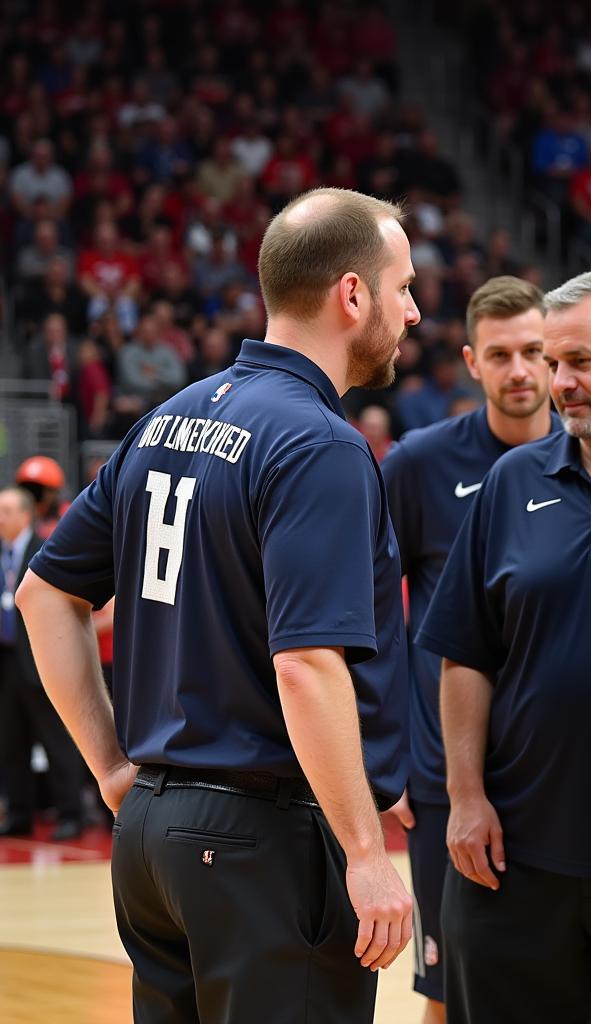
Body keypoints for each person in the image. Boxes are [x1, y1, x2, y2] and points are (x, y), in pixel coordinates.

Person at [16, 187, 418, 1023]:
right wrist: (367, 852)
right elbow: (307, 664)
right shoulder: (320, 446)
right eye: (403, 287)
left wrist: (113, 769)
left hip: (155, 835)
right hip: (261, 845)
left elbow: (44, 593)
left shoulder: (165, 418)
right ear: (353, 294)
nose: (413, 312)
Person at [418, 269, 591, 1024]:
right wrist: (465, 798)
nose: (558, 383)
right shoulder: (511, 480)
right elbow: (465, 652)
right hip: (515, 855)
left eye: (579, 362)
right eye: (553, 363)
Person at [380, 275, 559, 1023]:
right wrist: (381, 757)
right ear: (470, 362)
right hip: (444, 781)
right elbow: (364, 612)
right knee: (449, 990)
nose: (519, 370)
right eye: (500, 354)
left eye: (533, 352)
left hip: (559, 780)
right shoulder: (418, 464)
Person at [0, 486, 85, 840]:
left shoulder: (44, 549)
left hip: (39, 661)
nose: (0, 517)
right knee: (10, 743)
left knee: (57, 741)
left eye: (5, 511)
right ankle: (18, 813)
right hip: (5, 663)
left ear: (24, 515)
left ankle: (71, 814)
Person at [14, 455, 67, 540]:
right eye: (26, 489)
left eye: (37, 490)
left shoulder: (67, 515)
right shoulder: (15, 516)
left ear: (53, 492)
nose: (31, 496)